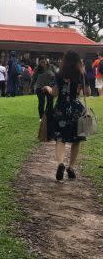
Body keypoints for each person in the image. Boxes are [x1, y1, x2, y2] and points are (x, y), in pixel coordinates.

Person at [47, 51, 88, 181]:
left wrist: (47, 88)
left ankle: (60, 163)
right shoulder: (81, 74)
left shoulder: (59, 74)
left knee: (60, 138)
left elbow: (54, 93)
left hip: (61, 108)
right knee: (76, 140)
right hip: (77, 109)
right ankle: (70, 167)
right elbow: (87, 92)